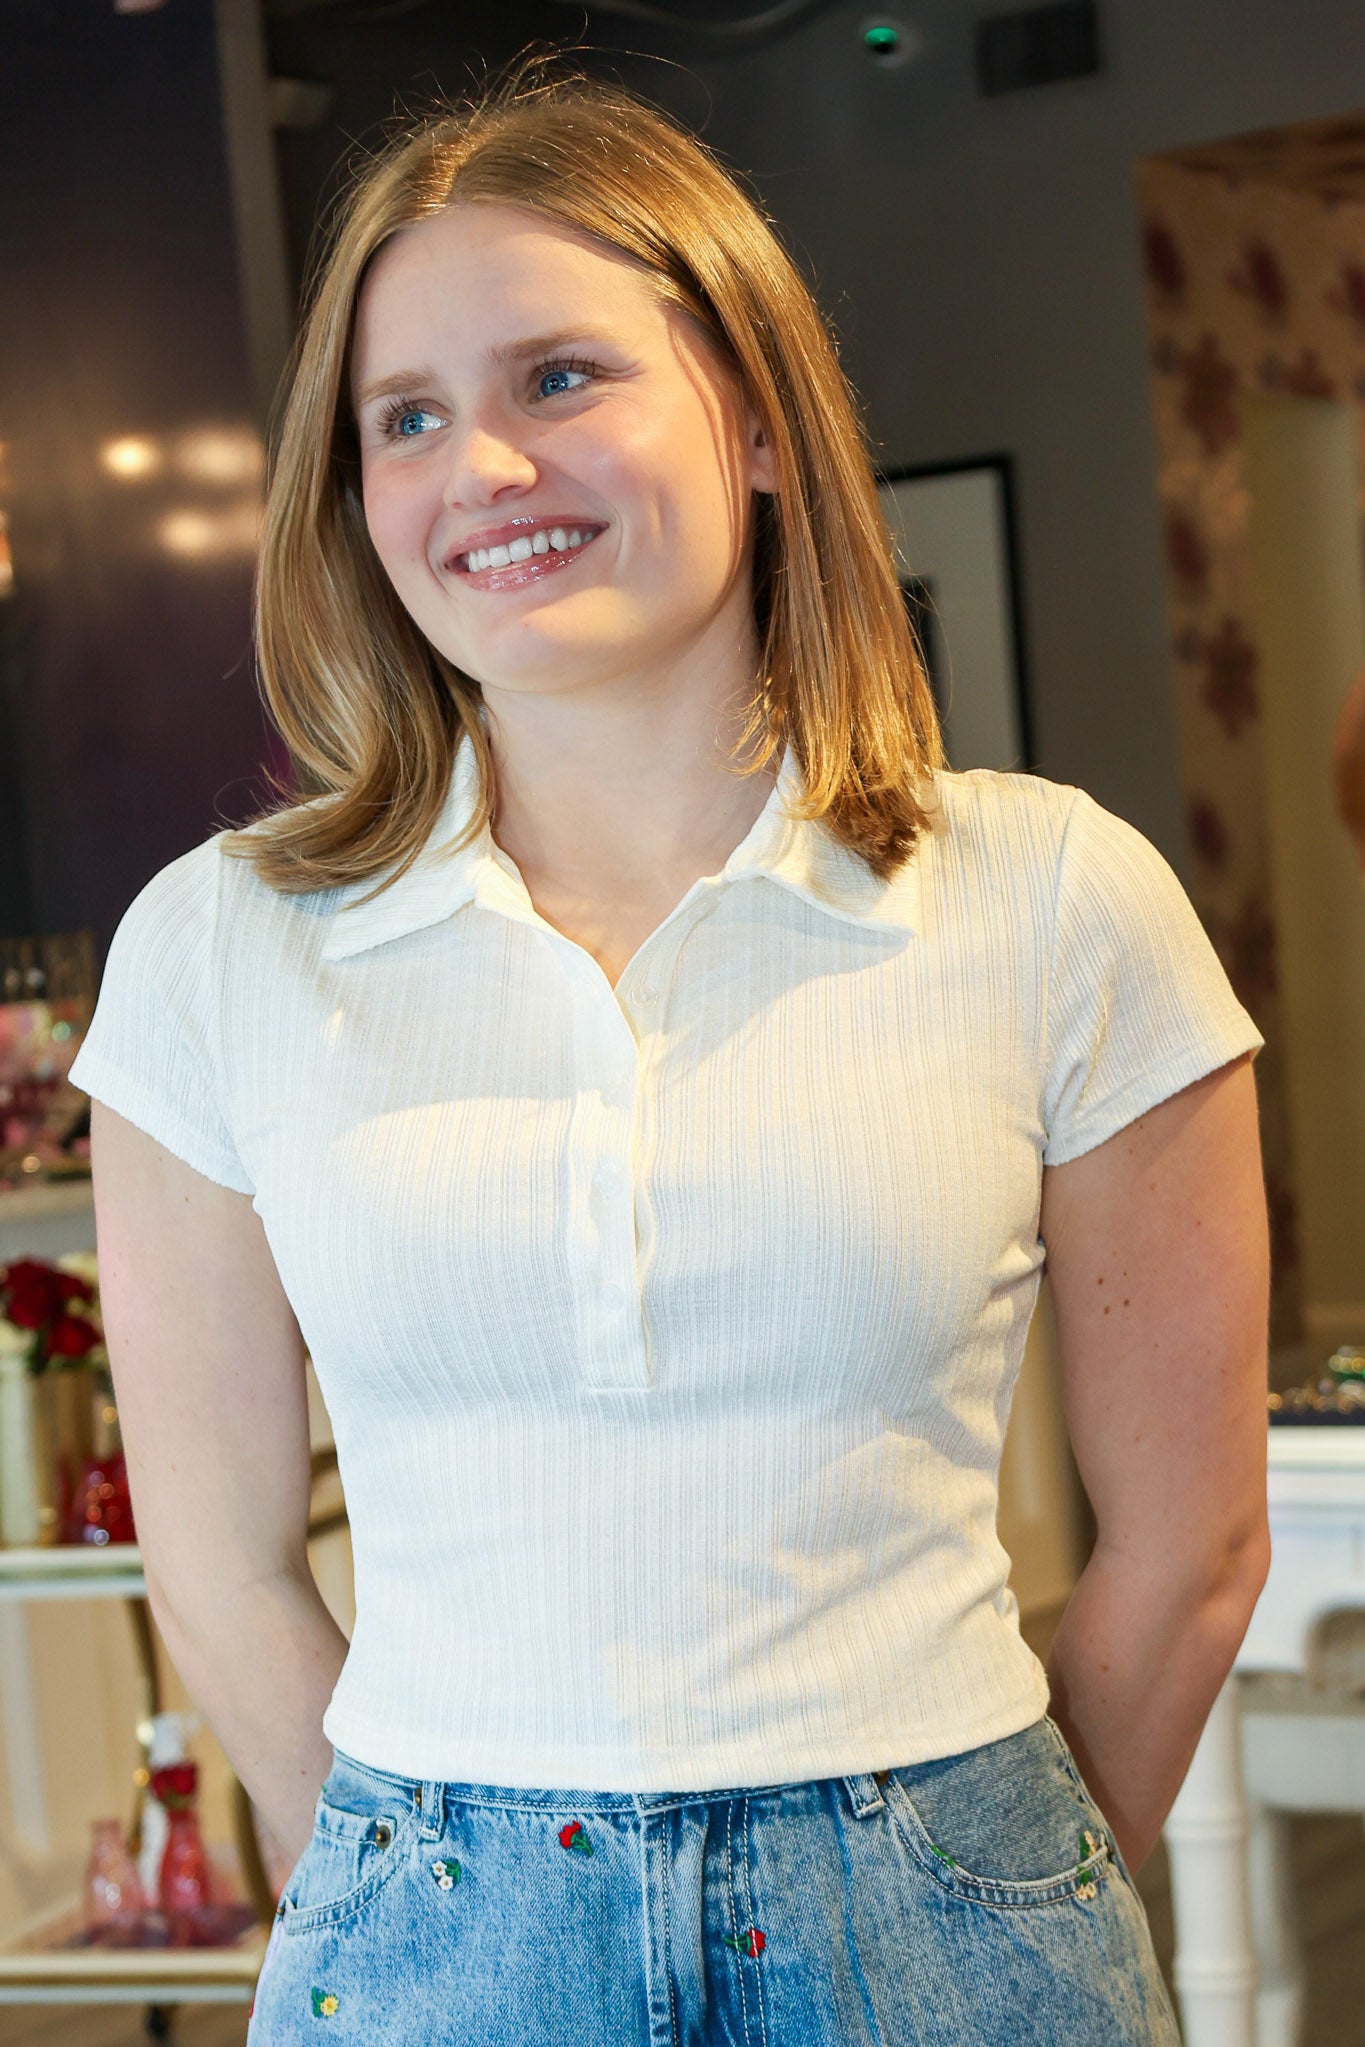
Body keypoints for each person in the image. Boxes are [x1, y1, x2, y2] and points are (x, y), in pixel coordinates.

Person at [70, 61, 1269, 2045]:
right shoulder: (223, 945)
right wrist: (395, 1891)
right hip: (435, 1930)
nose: (487, 468)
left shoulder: (1054, 897)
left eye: (558, 377)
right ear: (354, 494)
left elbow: (1192, 1548)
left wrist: (994, 1891)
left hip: (947, 1910)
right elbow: (215, 1570)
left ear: (756, 418)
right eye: (408, 417)